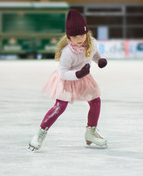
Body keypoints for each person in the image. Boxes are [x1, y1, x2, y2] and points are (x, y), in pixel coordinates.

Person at [28, 9, 108, 152]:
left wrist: (99, 60)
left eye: (82, 34)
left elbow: (94, 54)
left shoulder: (92, 42)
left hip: (83, 77)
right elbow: (63, 72)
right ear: (69, 37)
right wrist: (78, 74)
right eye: (75, 36)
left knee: (95, 101)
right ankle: (40, 134)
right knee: (60, 107)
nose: (80, 38)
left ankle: (90, 132)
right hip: (67, 79)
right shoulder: (68, 52)